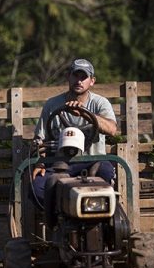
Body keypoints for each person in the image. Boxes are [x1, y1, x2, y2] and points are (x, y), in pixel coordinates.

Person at [31, 58, 118, 205]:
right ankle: (59, 216)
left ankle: (104, 218)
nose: (79, 81)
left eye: (83, 77)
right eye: (75, 76)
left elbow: (112, 129)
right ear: (68, 77)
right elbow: (40, 140)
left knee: (106, 174)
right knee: (37, 188)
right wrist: (40, 164)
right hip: (61, 164)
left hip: (93, 160)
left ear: (92, 81)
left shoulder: (100, 103)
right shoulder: (52, 105)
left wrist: (84, 113)